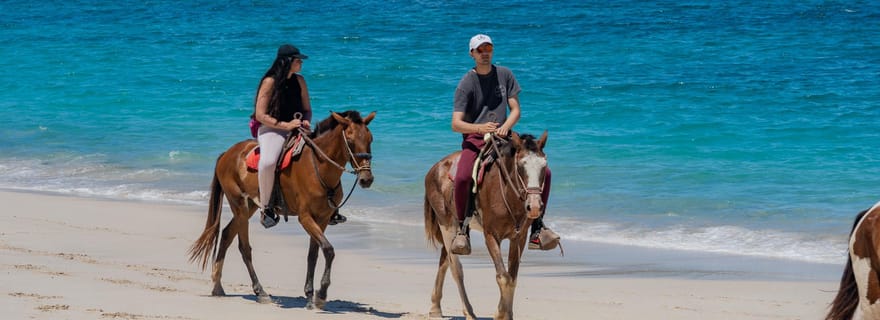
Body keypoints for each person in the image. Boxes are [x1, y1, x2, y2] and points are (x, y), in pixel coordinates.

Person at [450, 34, 557, 255]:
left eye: (488, 48)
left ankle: (537, 227)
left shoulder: (505, 75)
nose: (485, 53)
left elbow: (515, 110)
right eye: (480, 50)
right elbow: (456, 124)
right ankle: (462, 229)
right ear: (472, 54)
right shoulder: (465, 84)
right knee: (461, 177)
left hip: (505, 134)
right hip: (476, 138)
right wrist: (480, 128)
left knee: (544, 172)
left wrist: (505, 126)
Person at [252, 44, 346, 228]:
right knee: (268, 162)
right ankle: (266, 208)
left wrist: (305, 121)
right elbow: (260, 115)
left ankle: (332, 207)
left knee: (324, 154)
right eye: (297, 60)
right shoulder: (269, 82)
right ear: (287, 62)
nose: (301, 63)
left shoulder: (300, 81)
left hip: (297, 127)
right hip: (272, 128)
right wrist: (286, 125)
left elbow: (307, 109)